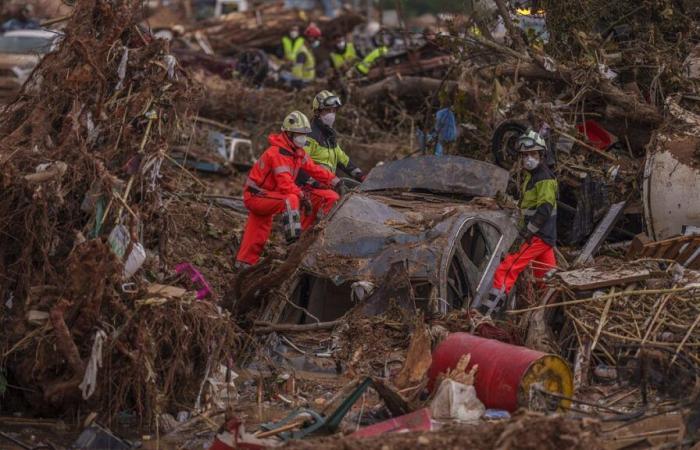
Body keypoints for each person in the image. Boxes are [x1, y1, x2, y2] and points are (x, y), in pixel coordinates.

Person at [235, 111, 340, 269]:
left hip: (267, 195)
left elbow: (314, 169)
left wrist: (335, 181)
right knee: (290, 199)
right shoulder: (278, 153)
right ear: (289, 133)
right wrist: (302, 195)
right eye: (300, 134)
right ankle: (293, 244)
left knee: (257, 232)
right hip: (257, 196)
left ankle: (243, 264)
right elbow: (285, 184)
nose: (303, 138)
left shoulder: (296, 152)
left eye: (305, 134)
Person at [480, 130, 558, 315]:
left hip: (537, 235)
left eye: (533, 154)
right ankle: (550, 314)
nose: (528, 159)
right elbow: (527, 206)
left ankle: (487, 316)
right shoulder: (532, 177)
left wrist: (526, 233)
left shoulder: (544, 178)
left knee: (506, 269)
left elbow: (544, 210)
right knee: (546, 278)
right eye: (525, 155)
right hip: (544, 237)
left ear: (541, 155)